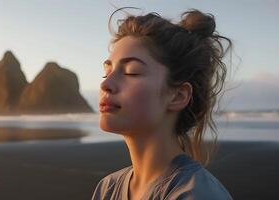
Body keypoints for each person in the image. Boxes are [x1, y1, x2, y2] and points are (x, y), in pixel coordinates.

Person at [92, 7, 233, 200]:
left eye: (131, 71)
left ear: (178, 96)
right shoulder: (108, 188)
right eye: (106, 73)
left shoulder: (197, 194)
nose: (106, 84)